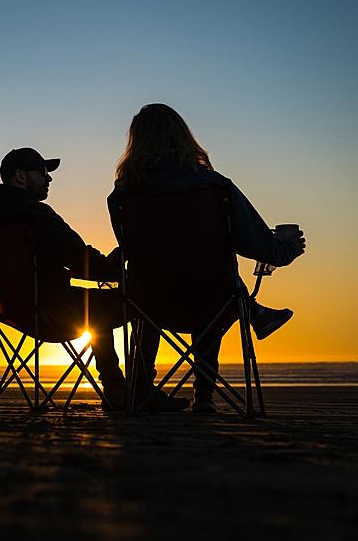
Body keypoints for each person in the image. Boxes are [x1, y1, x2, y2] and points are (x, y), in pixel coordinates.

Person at [107, 103, 306, 413]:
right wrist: (288, 246)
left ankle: (140, 391)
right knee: (212, 284)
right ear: (183, 136)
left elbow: (133, 251)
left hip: (149, 302)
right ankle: (205, 398)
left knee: (156, 286)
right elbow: (261, 248)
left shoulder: (122, 196)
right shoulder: (216, 187)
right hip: (212, 300)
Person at [0, 147, 189, 412]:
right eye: (43, 172)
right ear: (21, 177)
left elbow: (66, 264)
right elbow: (82, 260)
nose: (49, 179)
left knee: (98, 306)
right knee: (142, 303)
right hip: (54, 311)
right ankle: (138, 389)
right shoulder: (36, 215)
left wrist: (104, 269)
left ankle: (115, 387)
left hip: (17, 311)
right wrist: (120, 264)